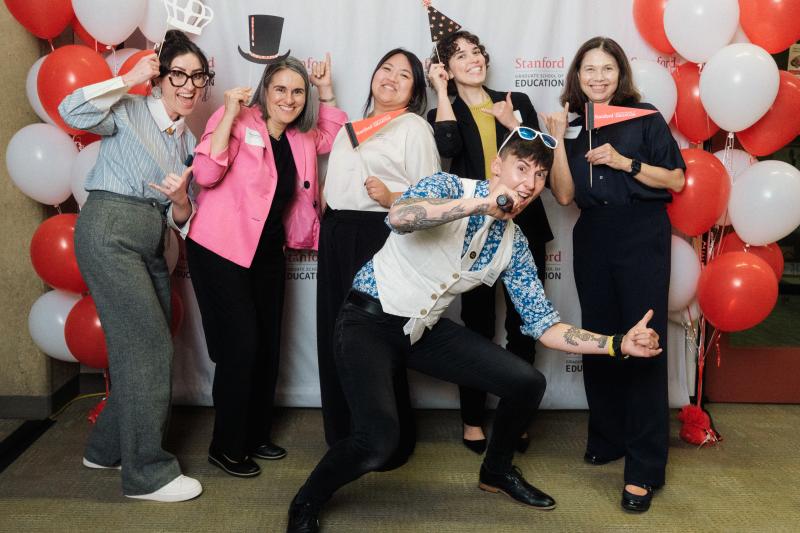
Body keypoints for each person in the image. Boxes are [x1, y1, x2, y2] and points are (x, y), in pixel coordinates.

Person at [286, 132, 662, 532]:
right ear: (497, 166)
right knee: (378, 443)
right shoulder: (447, 185)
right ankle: (306, 499)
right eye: (521, 168)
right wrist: (481, 205)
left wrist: (616, 343)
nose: (530, 183)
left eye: (539, 175)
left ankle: (496, 472)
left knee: (526, 382)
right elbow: (399, 216)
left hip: (421, 329)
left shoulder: (515, 243)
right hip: (368, 321)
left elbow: (544, 324)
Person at [59, 30, 212, 502]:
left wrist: (182, 201)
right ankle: (146, 474)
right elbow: (71, 112)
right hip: (109, 231)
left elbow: (177, 216)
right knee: (149, 351)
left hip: (149, 242)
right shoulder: (127, 109)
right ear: (160, 77)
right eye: (178, 75)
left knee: (143, 349)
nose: (188, 87)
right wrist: (126, 79)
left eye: (197, 77)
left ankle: (105, 449)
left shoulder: (185, 139)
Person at [540, 36, 685, 513]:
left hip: (641, 233)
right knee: (601, 337)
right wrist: (559, 140)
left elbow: (677, 179)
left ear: (620, 74)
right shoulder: (573, 125)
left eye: (606, 69)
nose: (597, 78)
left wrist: (626, 162)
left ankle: (644, 467)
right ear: (576, 78)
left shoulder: (644, 117)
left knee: (642, 340)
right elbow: (563, 196)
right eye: (588, 70)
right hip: (593, 234)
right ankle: (607, 436)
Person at [186, 55, 346, 478]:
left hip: (267, 251)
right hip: (220, 248)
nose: (289, 99)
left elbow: (338, 134)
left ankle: (254, 434)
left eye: (297, 91)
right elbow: (203, 173)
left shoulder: (299, 137)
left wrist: (325, 91)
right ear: (264, 90)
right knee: (241, 346)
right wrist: (228, 117)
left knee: (267, 344)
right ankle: (225, 445)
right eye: (280, 89)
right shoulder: (236, 118)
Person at [427, 31, 553, 454]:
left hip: (526, 225)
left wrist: (511, 124)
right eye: (459, 55)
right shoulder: (442, 109)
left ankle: (514, 417)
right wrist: (443, 92)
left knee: (523, 326)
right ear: (446, 65)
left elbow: (541, 163)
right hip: (476, 229)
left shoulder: (514, 99)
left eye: (476, 51)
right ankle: (472, 418)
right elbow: (447, 146)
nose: (472, 58)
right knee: (477, 327)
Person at [316, 48, 440, 464]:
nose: (390, 77)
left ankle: (386, 439)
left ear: (415, 90)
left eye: (403, 74)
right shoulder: (350, 126)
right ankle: (343, 433)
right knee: (334, 331)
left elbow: (431, 200)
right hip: (336, 234)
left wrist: (391, 198)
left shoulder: (414, 128)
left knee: (373, 338)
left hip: (378, 235)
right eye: (385, 67)